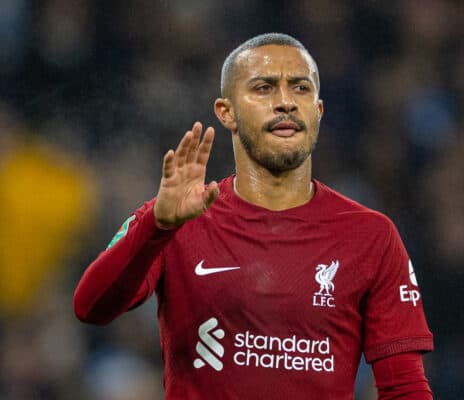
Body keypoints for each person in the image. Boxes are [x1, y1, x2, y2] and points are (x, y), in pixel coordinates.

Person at [74, 33, 434, 399]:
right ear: (226, 112)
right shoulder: (177, 218)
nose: (285, 103)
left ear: (318, 111)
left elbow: (403, 386)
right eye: (264, 88)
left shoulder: (371, 235)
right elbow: (92, 306)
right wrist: (157, 225)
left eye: (300, 89)